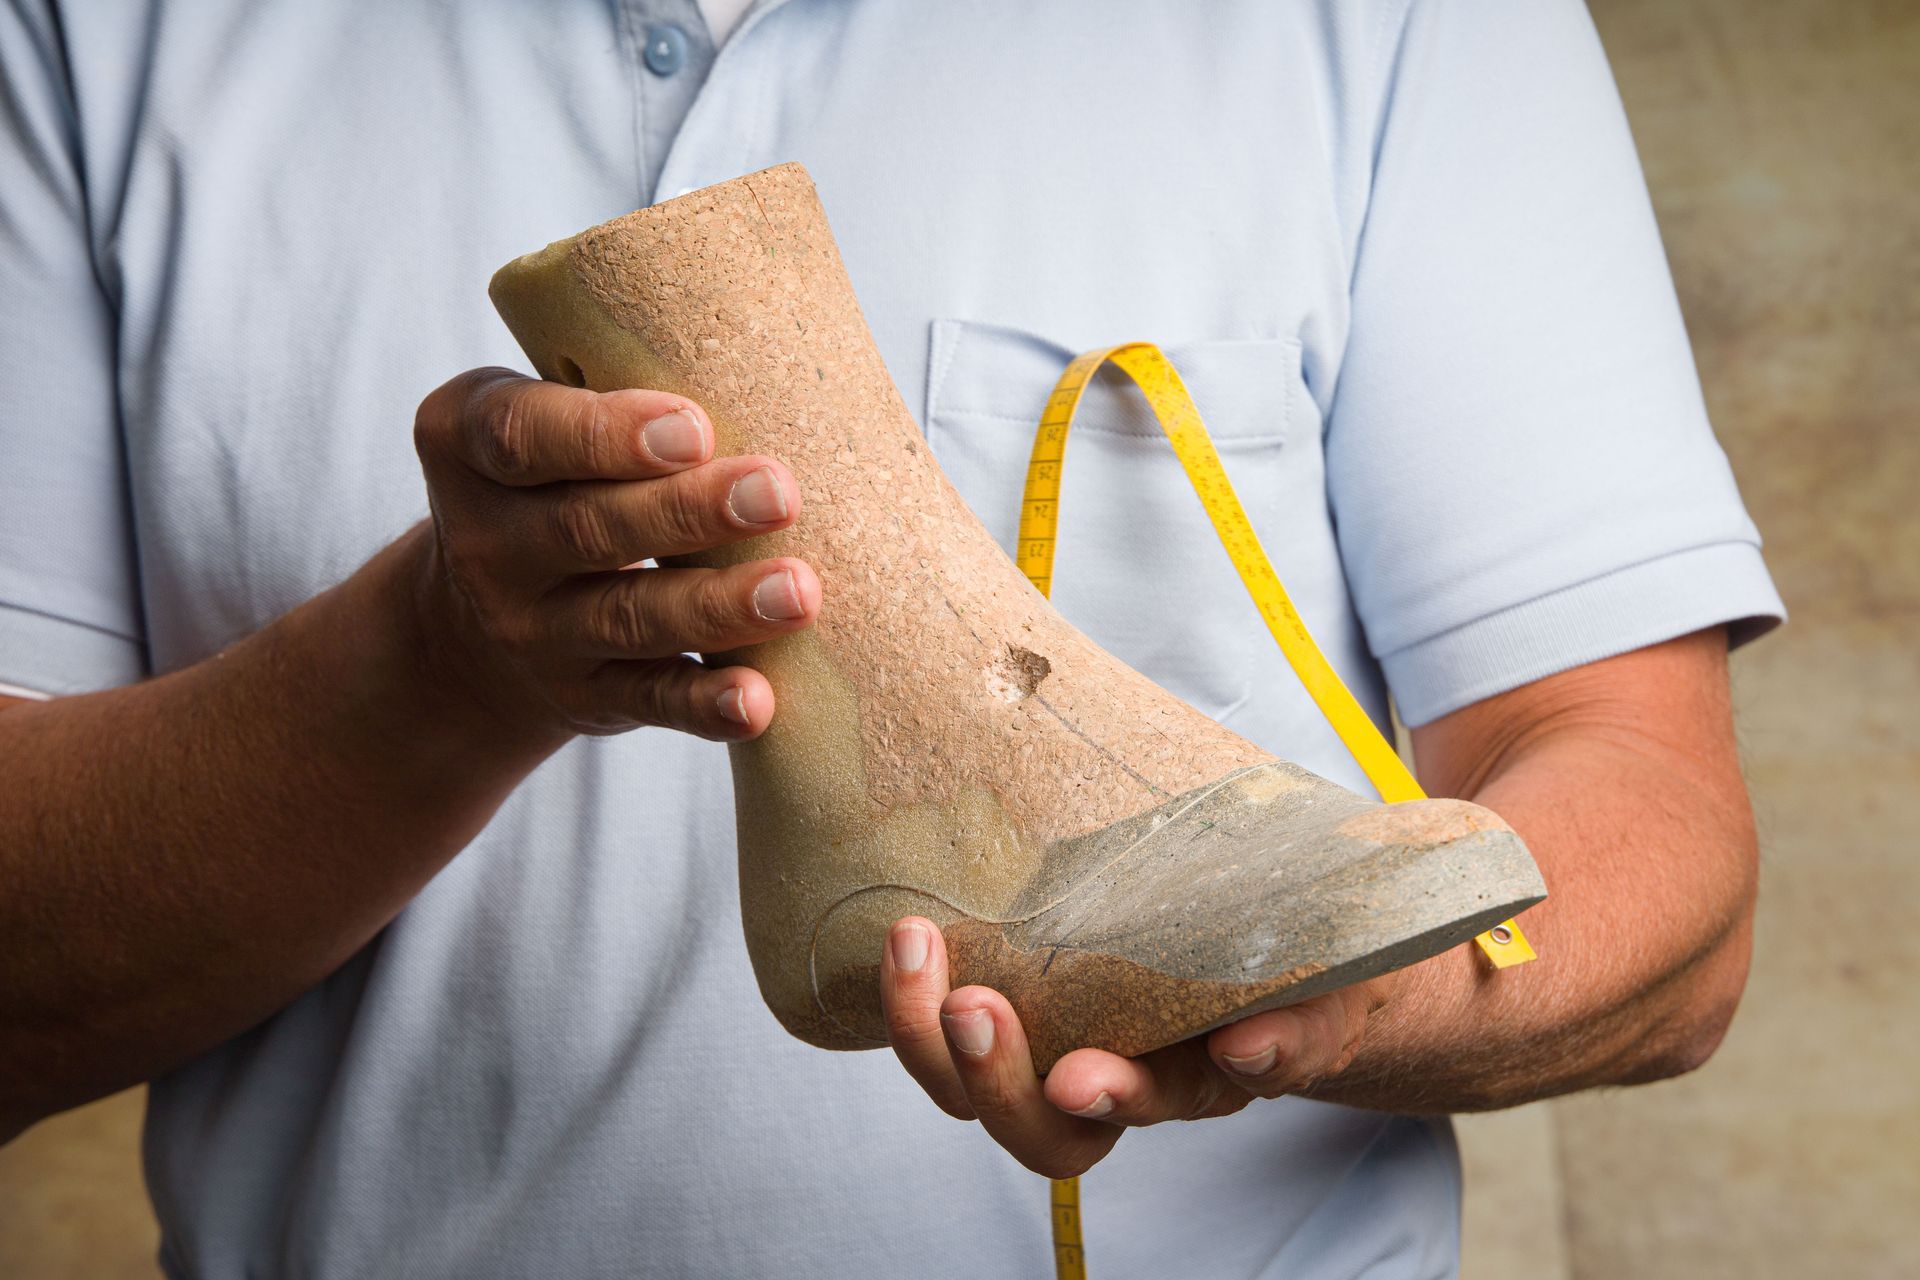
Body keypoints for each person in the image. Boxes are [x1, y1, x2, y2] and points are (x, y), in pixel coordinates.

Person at [0, 0, 1782, 1275]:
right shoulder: (92, 31)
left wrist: (1348, 997)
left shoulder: (1394, 22)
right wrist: (447, 658)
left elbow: (1665, 863)